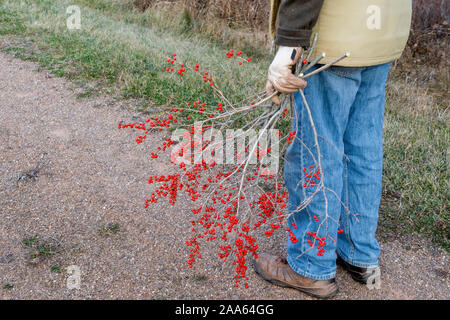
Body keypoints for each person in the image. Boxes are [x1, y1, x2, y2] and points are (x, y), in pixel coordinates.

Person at [253, 0, 412, 298]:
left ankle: (310, 266)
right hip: (384, 30)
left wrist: (290, 42)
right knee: (362, 148)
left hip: (337, 36)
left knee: (316, 150)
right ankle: (359, 252)